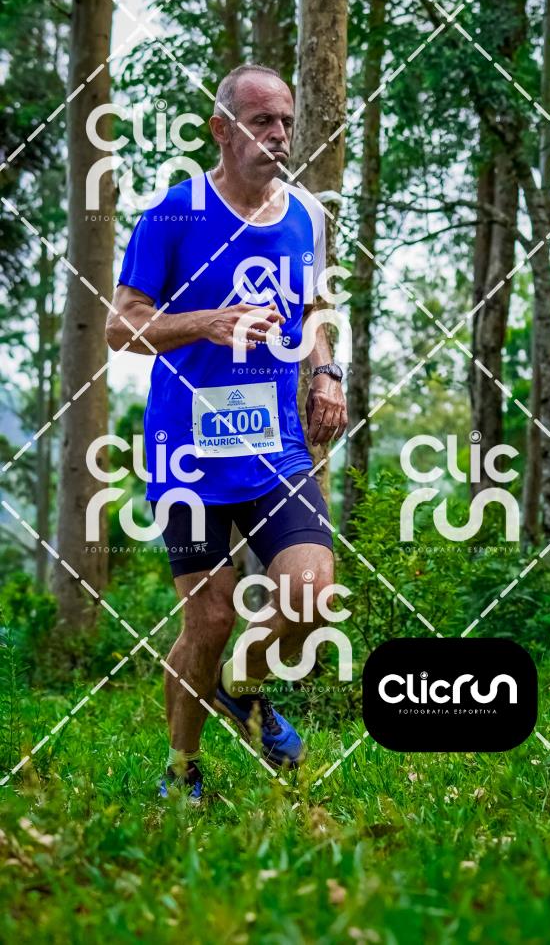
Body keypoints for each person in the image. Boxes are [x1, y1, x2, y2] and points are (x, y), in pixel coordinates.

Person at [106, 63, 347, 803]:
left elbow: (312, 308)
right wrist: (205, 323)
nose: (279, 136)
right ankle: (181, 771)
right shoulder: (172, 216)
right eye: (262, 121)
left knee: (311, 596)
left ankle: (239, 687)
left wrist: (326, 371)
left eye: (286, 122)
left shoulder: (304, 215)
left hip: (274, 446)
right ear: (220, 129)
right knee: (208, 619)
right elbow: (121, 325)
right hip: (188, 450)